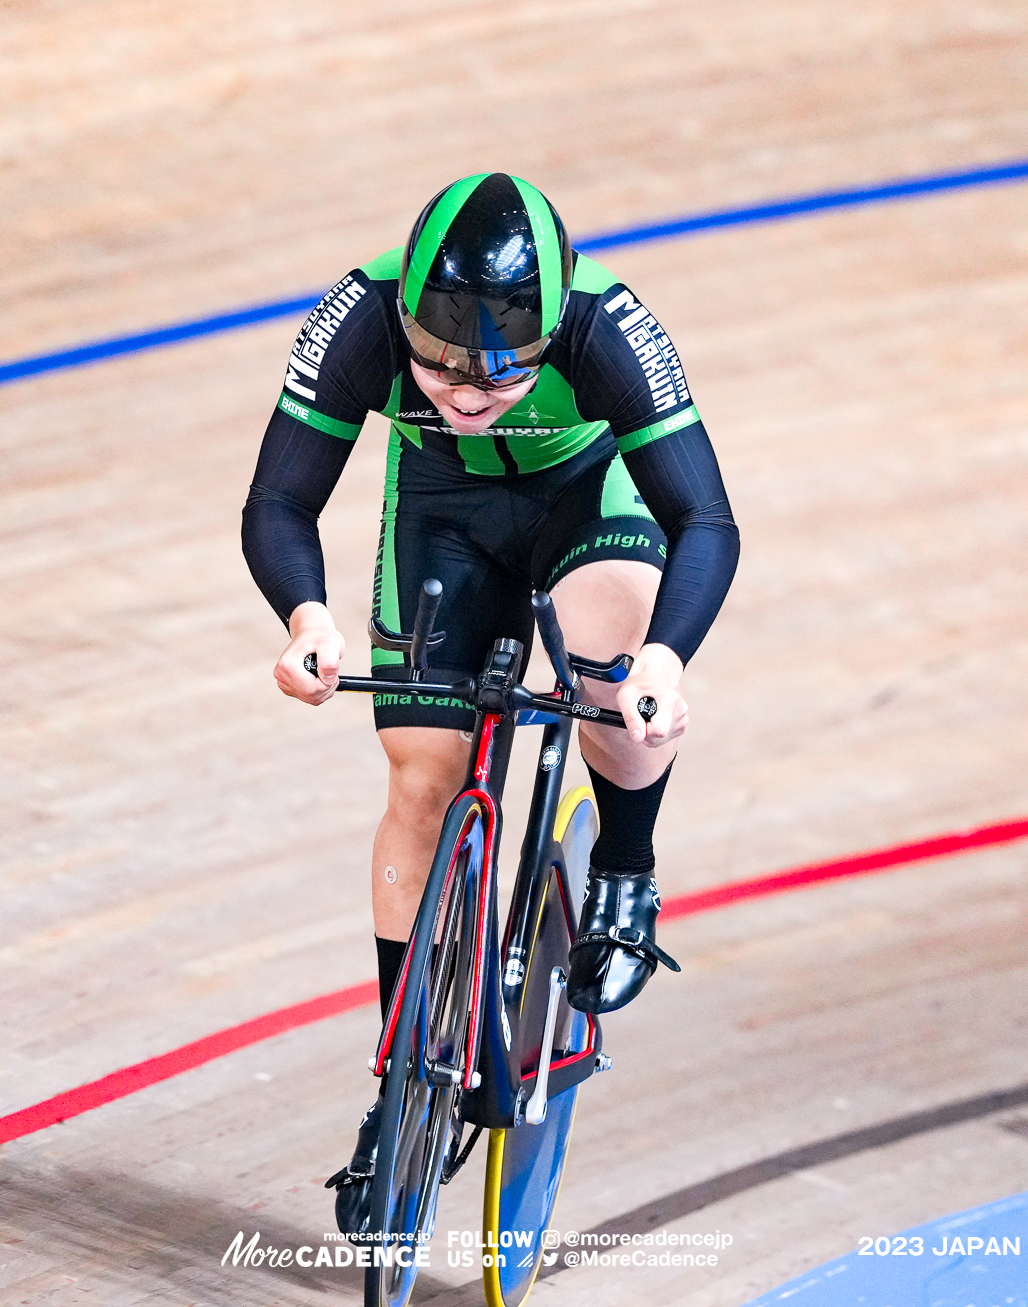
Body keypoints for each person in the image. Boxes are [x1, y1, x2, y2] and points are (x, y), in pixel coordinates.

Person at [240, 172, 738, 1235]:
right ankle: (396, 1089)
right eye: (437, 368)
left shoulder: (607, 327)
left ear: (550, 334)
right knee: (422, 777)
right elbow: (282, 496)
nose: (464, 395)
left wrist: (664, 658)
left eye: (498, 377)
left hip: (579, 495)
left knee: (614, 674)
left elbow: (705, 519)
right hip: (443, 509)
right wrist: (304, 618)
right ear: (405, 322)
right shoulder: (361, 315)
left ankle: (626, 869)